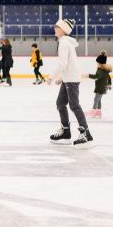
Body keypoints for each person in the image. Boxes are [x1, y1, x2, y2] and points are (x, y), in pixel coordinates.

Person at [48, 18, 92, 146]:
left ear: (63, 30)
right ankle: (66, 131)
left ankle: (86, 133)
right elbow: (69, 63)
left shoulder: (64, 43)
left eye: (57, 27)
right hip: (68, 78)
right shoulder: (65, 42)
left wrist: (51, 77)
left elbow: (63, 63)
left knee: (74, 105)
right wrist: (61, 77)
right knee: (60, 103)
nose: (54, 29)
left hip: (72, 79)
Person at [86, 51, 113, 118]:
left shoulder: (101, 70)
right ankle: (98, 112)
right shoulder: (104, 70)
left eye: (97, 62)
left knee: (96, 99)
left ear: (100, 63)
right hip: (102, 86)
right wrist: (109, 84)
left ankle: (93, 111)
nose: (97, 64)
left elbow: (96, 76)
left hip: (101, 87)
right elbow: (108, 77)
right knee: (99, 100)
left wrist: (88, 75)